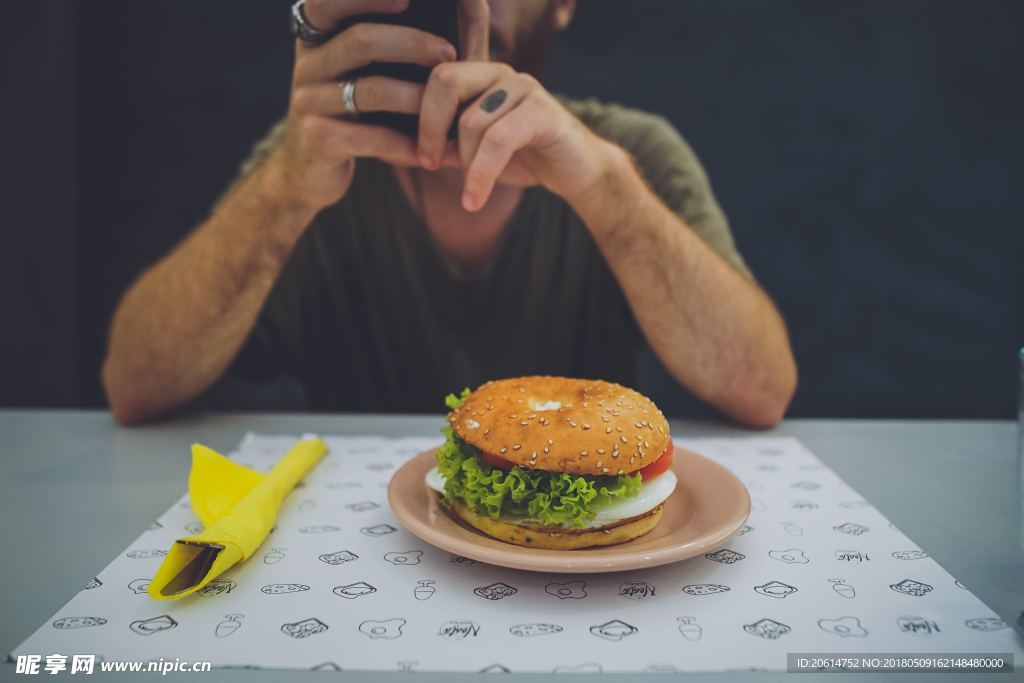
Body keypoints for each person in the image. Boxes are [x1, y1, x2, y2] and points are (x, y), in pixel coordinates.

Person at [102, 0, 797, 426]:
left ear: (563, 3)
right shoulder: (318, 162)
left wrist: (607, 191)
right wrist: (283, 191)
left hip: (574, 573)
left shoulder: (629, 154)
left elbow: (763, 389)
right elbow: (134, 384)